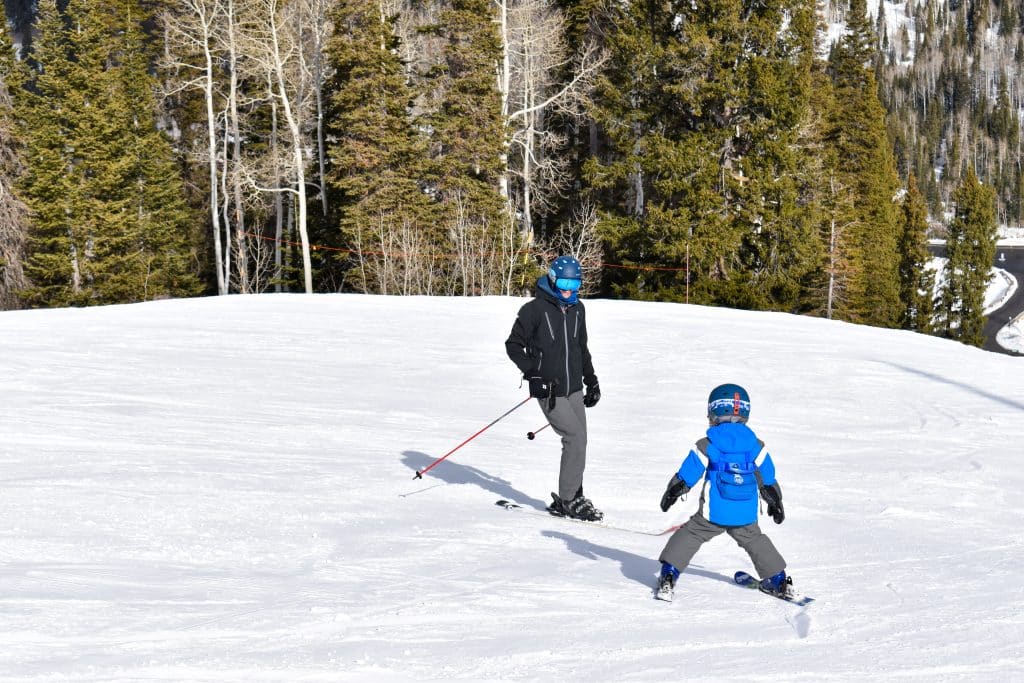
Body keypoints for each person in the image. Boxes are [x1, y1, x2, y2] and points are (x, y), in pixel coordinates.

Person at [654, 383, 789, 602]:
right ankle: (778, 579)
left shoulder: (708, 445)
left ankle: (669, 573)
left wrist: (673, 491)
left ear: (714, 413)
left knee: (691, 534)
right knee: (755, 540)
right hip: (744, 514)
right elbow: (767, 478)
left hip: (713, 513)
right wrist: (775, 502)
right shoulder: (756, 446)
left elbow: (689, 472)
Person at [505, 255, 603, 521]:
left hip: (573, 388)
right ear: (551, 278)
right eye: (563, 281)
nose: (568, 288)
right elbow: (513, 345)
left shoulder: (578, 309)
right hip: (549, 388)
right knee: (574, 437)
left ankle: (574, 493)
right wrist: (533, 374)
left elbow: (581, 348)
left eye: (574, 282)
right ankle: (568, 501)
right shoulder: (534, 310)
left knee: (580, 439)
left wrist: (591, 380)